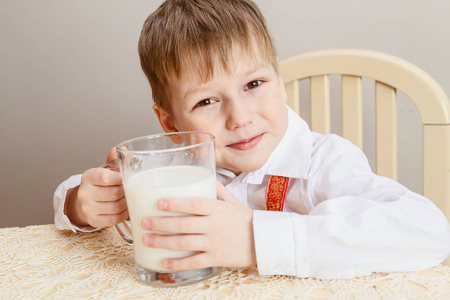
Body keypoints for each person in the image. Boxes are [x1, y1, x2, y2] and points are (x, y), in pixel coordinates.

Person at [53, 0, 450, 279]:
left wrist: (253, 239)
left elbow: (430, 231)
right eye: (207, 100)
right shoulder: (174, 170)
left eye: (254, 84)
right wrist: (81, 205)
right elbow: (70, 195)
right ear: (171, 124)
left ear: (279, 81)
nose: (240, 118)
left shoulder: (324, 163)